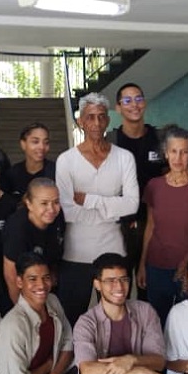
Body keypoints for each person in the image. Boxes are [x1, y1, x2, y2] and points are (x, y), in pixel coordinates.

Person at [56, 93, 139, 322]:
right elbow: (68, 211)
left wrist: (91, 201)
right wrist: (112, 210)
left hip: (113, 250)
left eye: (101, 117)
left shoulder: (124, 158)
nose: (96, 123)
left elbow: (132, 204)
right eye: (90, 117)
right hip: (76, 253)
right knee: (71, 320)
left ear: (108, 120)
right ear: (80, 121)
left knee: (116, 317)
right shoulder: (66, 160)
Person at [138, 126, 188, 323]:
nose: (178, 158)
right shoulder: (154, 186)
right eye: (173, 151)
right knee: (157, 323)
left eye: (184, 152)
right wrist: (142, 265)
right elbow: (150, 227)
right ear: (165, 153)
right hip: (157, 266)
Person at [108, 83, 163, 298]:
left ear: (145, 103)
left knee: (148, 287)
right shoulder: (110, 142)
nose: (134, 105)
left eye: (138, 99)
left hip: (154, 223)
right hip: (120, 226)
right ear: (118, 107)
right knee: (118, 285)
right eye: (127, 100)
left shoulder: (159, 140)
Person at [1, 177, 65, 305]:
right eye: (44, 203)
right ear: (29, 204)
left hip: (45, 282)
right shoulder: (17, 229)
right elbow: (11, 275)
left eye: (56, 202)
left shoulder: (57, 217)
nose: (51, 209)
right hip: (20, 286)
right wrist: (21, 309)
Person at [7, 122, 57, 196]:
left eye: (46, 142)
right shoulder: (12, 174)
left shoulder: (57, 172)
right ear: (23, 144)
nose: (42, 147)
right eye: (35, 142)